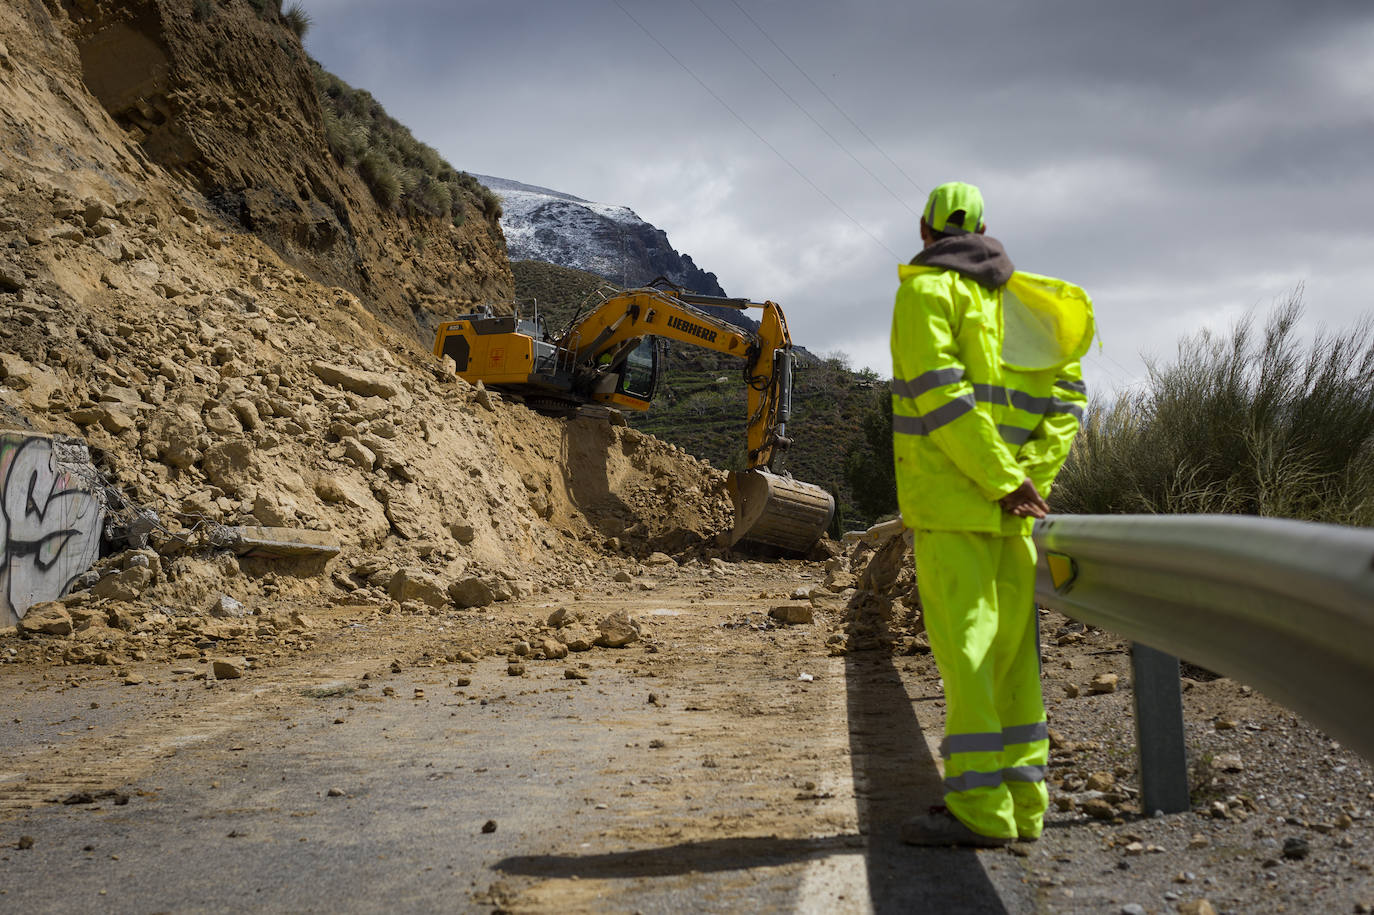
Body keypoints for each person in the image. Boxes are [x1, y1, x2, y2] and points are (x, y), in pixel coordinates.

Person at [890, 181, 1093, 846]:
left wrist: (1003, 481)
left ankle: (980, 810)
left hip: (957, 508)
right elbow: (1068, 397)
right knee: (1012, 661)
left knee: (969, 657)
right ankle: (1025, 804)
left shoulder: (925, 292)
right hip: (1015, 513)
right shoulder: (1025, 302)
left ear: (926, 230)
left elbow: (938, 397)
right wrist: (1032, 477)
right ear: (983, 228)